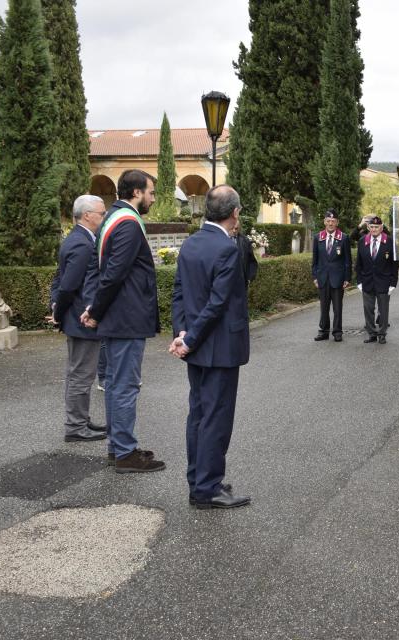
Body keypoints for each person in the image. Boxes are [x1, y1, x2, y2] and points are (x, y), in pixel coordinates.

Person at [170, 185, 251, 510]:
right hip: (218, 348)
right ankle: (207, 488)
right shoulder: (227, 249)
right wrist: (188, 339)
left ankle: (199, 480)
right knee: (216, 418)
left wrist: (183, 333)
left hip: (197, 346)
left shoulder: (190, 243)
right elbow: (218, 304)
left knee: (199, 416)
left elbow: (179, 292)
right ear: (234, 213)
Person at [81, 169, 164, 473]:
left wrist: (94, 307)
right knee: (125, 385)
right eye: (151, 193)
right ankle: (126, 452)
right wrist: (96, 311)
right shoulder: (129, 223)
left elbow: (97, 269)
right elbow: (114, 273)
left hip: (116, 316)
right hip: (126, 317)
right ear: (137, 193)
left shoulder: (110, 220)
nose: (153, 199)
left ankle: (118, 448)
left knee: (115, 385)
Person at [50, 195, 107, 443]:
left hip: (76, 318)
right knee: (81, 376)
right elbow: (68, 285)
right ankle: (75, 426)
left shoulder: (78, 239)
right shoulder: (82, 244)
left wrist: (57, 308)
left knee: (80, 374)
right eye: (101, 213)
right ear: (87, 215)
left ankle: (81, 420)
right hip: (80, 320)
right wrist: (58, 313)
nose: (103, 217)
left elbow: (59, 280)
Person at [355, 215, 398, 344]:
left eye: (376, 227)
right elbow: (358, 263)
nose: (374, 229)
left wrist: (393, 283)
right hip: (367, 281)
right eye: (371, 227)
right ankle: (372, 333)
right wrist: (359, 282)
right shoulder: (363, 241)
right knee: (368, 309)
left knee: (383, 310)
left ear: (381, 227)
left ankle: (382, 333)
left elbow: (394, 264)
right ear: (368, 227)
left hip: (384, 282)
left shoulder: (389, 241)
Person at [312, 209, 351, 342]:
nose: (330, 223)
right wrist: (315, 277)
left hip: (338, 278)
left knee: (337, 307)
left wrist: (347, 278)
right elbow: (315, 260)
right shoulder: (318, 237)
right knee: (324, 307)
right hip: (322, 278)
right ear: (324, 222)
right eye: (328, 221)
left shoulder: (344, 238)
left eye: (333, 221)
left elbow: (347, 261)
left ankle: (337, 332)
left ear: (337, 223)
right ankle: (323, 331)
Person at [233, 218, 259, 289]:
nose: (234, 230)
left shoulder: (244, 240)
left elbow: (252, 261)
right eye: (232, 228)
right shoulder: (223, 239)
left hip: (241, 283)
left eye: (236, 228)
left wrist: (249, 277)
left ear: (239, 228)